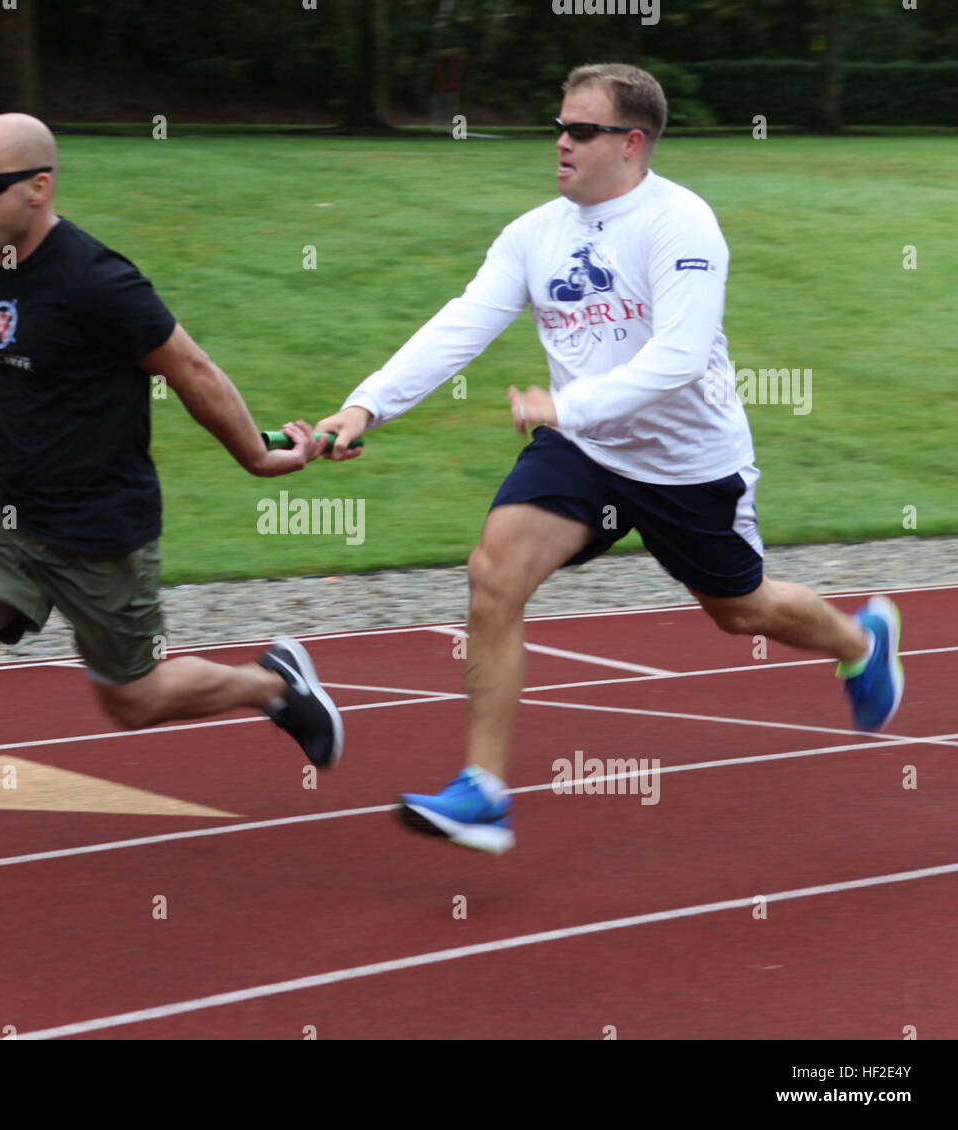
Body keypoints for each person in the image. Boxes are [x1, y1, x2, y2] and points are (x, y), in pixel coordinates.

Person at [315, 64, 904, 855]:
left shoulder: (681, 224)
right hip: (584, 450)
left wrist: (568, 404)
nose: (561, 142)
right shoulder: (533, 233)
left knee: (740, 611)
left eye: (581, 130)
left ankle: (861, 643)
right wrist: (365, 407)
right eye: (559, 125)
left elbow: (682, 357)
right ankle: (484, 791)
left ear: (632, 143)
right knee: (494, 570)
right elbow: (461, 324)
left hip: (684, 461)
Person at [0, 113, 341, 913]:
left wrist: (258, 454)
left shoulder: (98, 281)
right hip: (3, 516)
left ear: (39, 188)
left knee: (132, 701)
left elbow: (190, 366)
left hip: (99, 530)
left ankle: (272, 688)